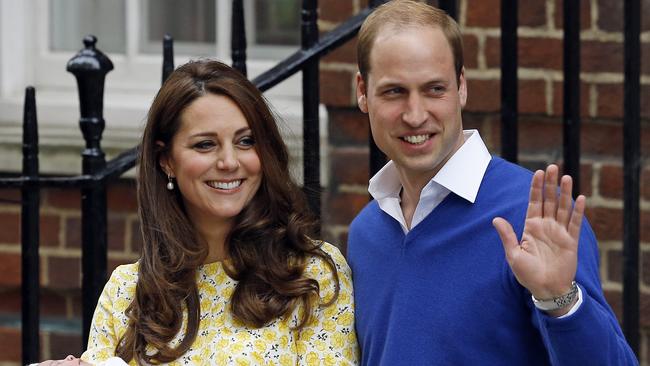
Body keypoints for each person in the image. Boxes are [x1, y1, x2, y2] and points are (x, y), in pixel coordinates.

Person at [347, 1, 637, 365]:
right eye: (394, 92)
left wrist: (560, 300)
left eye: (435, 89)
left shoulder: (531, 213)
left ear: (462, 87)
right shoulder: (366, 232)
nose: (416, 115)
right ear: (362, 91)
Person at [77, 60, 358, 365]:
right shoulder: (125, 292)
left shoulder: (311, 275)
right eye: (205, 144)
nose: (228, 161)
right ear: (166, 160)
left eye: (245, 141)